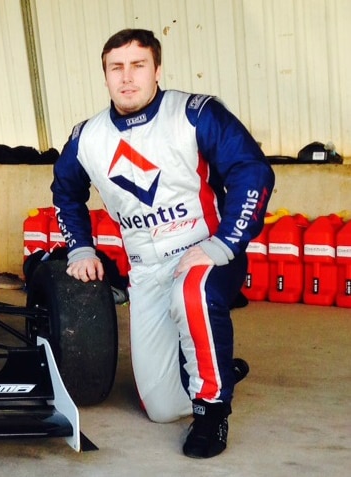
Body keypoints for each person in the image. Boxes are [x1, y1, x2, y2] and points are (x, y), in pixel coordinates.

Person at [51, 28, 275, 458]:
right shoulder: (88, 137)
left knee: (191, 293)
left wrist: (224, 243)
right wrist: (80, 246)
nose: (127, 77)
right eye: (116, 67)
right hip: (146, 269)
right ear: (105, 76)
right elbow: (65, 192)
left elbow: (252, 171)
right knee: (162, 407)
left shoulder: (195, 113)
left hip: (204, 254)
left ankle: (213, 411)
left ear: (156, 70)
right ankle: (216, 368)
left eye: (138, 65)